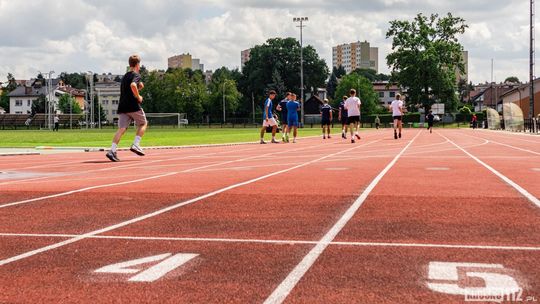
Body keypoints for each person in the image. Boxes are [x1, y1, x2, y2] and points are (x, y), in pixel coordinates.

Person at [106, 54, 147, 162]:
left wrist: (139, 86)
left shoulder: (124, 76)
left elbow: (136, 85)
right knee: (143, 123)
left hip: (122, 106)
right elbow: (133, 85)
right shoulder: (136, 75)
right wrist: (138, 97)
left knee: (121, 129)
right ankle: (136, 144)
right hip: (133, 105)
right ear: (138, 64)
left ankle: (112, 151)